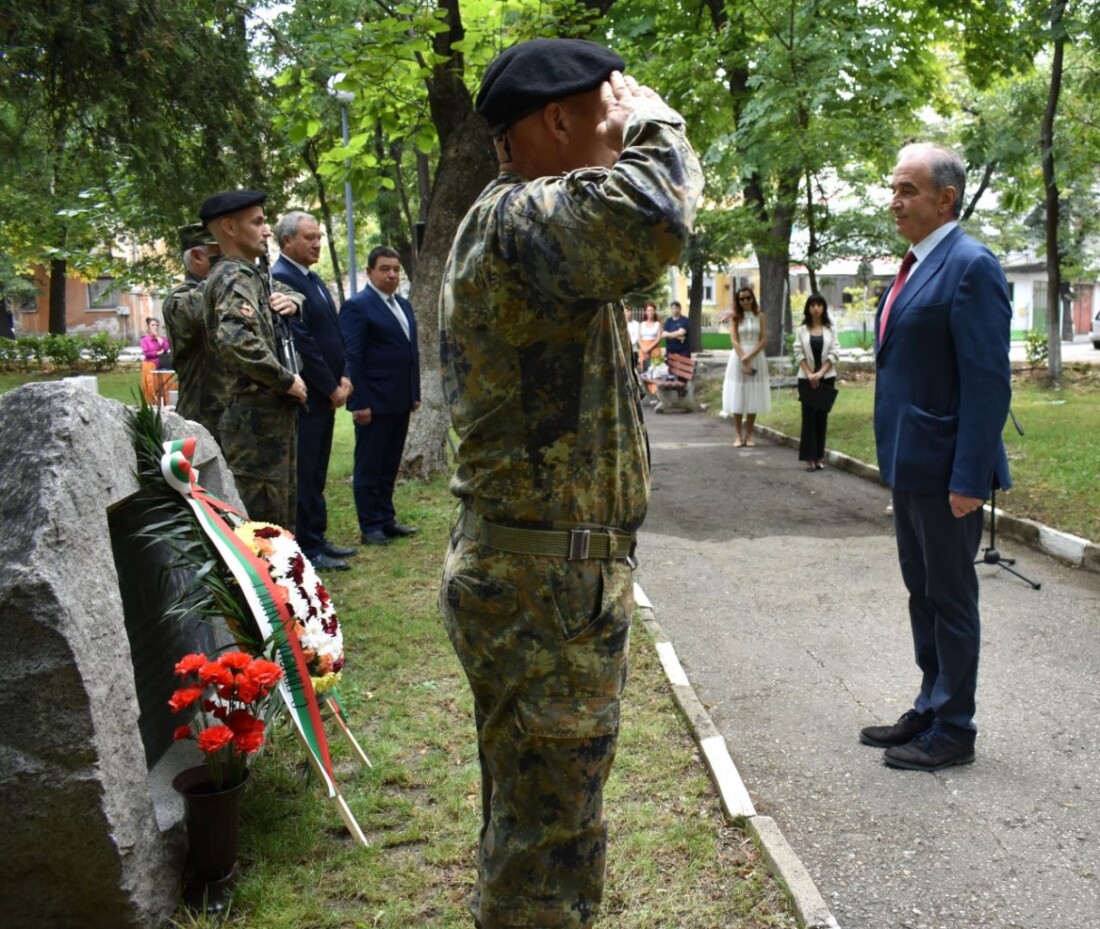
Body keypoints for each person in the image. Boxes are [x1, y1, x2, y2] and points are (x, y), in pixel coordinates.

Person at [439, 37, 703, 929]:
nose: (620, 133)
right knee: (545, 845)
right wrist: (655, 119)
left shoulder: (524, 225)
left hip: (548, 580)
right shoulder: (519, 220)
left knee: (544, 822)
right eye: (607, 115)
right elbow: (656, 214)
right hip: (541, 589)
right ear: (555, 121)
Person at [860, 142, 1012, 772]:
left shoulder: (972, 265)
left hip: (948, 468)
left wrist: (969, 476)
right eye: (893, 189)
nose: (894, 202)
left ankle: (955, 728)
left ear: (945, 199)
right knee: (921, 591)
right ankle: (929, 701)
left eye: (907, 191)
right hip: (909, 459)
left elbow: (987, 381)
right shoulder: (914, 263)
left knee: (950, 598)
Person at [200, 189, 307, 530]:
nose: (267, 231)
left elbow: (277, 299)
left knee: (278, 522)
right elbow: (236, 341)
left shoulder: (250, 275)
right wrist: (286, 380)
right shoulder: (234, 277)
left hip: (267, 420)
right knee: (262, 527)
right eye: (258, 222)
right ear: (229, 228)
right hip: (253, 425)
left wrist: (294, 300)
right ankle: (269, 585)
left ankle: (284, 582)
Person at [272, 211, 357, 571]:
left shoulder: (313, 278)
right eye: (309, 237)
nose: (317, 243)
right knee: (305, 472)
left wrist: (346, 376)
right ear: (287, 240)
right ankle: (307, 545)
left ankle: (318, 537)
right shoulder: (281, 278)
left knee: (318, 470)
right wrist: (329, 386)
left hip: (331, 390)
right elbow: (302, 341)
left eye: (319, 236)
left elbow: (335, 334)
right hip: (311, 394)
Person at [338, 246, 420, 546]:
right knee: (369, 466)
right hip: (372, 402)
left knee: (389, 465)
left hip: (399, 399)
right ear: (370, 271)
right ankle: (370, 524)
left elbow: (411, 352)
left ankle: (386, 518)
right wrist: (358, 402)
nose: (392, 274)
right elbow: (353, 355)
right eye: (385, 268)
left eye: (396, 269)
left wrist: (415, 391)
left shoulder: (403, 305)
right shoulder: (357, 306)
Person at [162, 223, 227, 442]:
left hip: (234, 420)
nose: (231, 261)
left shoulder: (232, 290)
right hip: (201, 423)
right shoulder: (180, 300)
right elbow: (202, 306)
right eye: (221, 254)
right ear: (198, 256)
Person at [793, 293, 839, 472]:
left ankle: (819, 456)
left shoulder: (831, 329)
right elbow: (798, 352)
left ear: (824, 308)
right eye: (812, 305)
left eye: (819, 305)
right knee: (808, 418)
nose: (816, 308)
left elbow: (835, 352)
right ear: (808, 308)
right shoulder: (802, 330)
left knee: (822, 418)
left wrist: (820, 373)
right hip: (806, 378)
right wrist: (810, 374)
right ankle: (809, 458)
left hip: (826, 378)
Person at [722, 286, 770, 447]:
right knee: (738, 394)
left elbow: (763, 339)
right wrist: (743, 356)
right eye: (742, 299)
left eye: (748, 298)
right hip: (738, 357)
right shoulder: (735, 318)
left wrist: (750, 356)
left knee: (753, 395)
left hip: (755, 357)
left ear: (753, 298)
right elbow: (734, 340)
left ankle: (749, 435)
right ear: (738, 301)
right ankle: (738, 435)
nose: (745, 301)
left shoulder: (760, 316)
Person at [139, 318, 170, 403]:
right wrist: (157, 353)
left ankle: (165, 404)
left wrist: (160, 340)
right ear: (148, 327)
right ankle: (152, 404)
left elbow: (167, 349)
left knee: (165, 387)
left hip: (162, 365)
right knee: (151, 387)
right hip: (150, 365)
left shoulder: (162, 339)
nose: (155, 327)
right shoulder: (144, 340)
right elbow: (147, 353)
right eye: (153, 325)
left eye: (157, 325)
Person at [636, 301, 662, 372]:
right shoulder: (642, 324)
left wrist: (648, 349)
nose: (650, 312)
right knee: (645, 371)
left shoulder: (658, 324)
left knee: (655, 371)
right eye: (649, 310)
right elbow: (639, 339)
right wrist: (644, 349)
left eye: (652, 310)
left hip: (654, 349)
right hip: (643, 349)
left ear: (654, 312)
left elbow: (658, 339)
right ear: (645, 312)